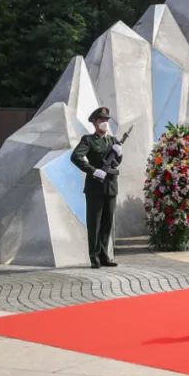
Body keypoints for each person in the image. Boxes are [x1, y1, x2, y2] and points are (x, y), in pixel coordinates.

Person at [71, 107, 123, 269]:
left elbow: (116, 163)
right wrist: (93, 171)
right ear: (94, 122)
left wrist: (119, 154)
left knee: (107, 223)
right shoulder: (88, 140)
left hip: (111, 186)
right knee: (95, 223)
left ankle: (104, 255)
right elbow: (76, 156)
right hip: (95, 187)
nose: (105, 123)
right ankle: (94, 257)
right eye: (101, 120)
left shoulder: (113, 141)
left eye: (106, 120)